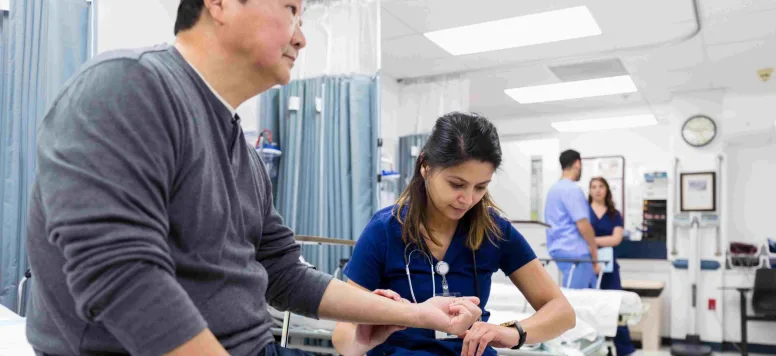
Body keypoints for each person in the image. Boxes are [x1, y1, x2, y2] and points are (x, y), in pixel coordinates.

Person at [24, 1, 482, 355]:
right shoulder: (129, 86)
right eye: (291, 10)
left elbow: (284, 273)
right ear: (220, 4)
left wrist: (417, 315)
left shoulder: (240, 152)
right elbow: (119, 273)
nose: (301, 38)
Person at [331, 112, 576, 356]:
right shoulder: (385, 230)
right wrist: (362, 340)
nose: (468, 199)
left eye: (481, 187)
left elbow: (562, 312)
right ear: (425, 166)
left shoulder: (495, 231)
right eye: (456, 184)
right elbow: (343, 332)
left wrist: (512, 332)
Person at [588, 177, 635, 356]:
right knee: (588, 307)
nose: (598, 190)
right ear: (590, 190)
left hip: (609, 268)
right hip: (587, 266)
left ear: (607, 190)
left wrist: (590, 241)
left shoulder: (615, 214)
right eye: (593, 187)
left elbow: (616, 239)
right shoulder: (583, 211)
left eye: (601, 186)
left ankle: (625, 350)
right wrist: (598, 243)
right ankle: (593, 348)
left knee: (616, 307)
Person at [544, 149, 600, 289]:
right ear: (577, 163)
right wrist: (594, 253)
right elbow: (583, 226)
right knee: (578, 301)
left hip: (560, 251)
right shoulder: (572, 190)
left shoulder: (553, 190)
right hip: (576, 254)